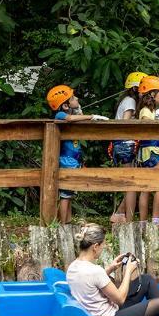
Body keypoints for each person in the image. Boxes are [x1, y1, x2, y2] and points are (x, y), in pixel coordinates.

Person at [66, 224, 159, 316]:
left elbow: (89, 281)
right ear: (95, 246)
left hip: (104, 314)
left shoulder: (73, 267)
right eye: (103, 245)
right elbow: (120, 299)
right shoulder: (95, 270)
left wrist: (110, 268)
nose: (104, 247)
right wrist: (128, 271)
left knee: (146, 280)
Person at [46, 85, 109, 224]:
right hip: (66, 160)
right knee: (65, 194)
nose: (77, 98)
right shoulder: (60, 115)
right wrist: (92, 116)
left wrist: (79, 109)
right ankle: (63, 223)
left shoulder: (71, 114)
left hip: (73, 160)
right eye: (73, 98)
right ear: (65, 106)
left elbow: (78, 118)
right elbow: (68, 118)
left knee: (70, 193)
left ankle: (67, 221)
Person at [109, 71, 147, 228]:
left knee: (132, 181)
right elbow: (126, 122)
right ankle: (129, 221)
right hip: (125, 142)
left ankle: (118, 214)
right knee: (131, 183)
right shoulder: (131, 101)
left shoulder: (126, 100)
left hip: (122, 143)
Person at [135, 75, 159, 225]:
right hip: (151, 151)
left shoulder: (150, 110)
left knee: (146, 187)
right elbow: (145, 125)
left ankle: (143, 222)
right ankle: (155, 221)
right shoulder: (146, 111)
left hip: (150, 151)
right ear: (152, 94)